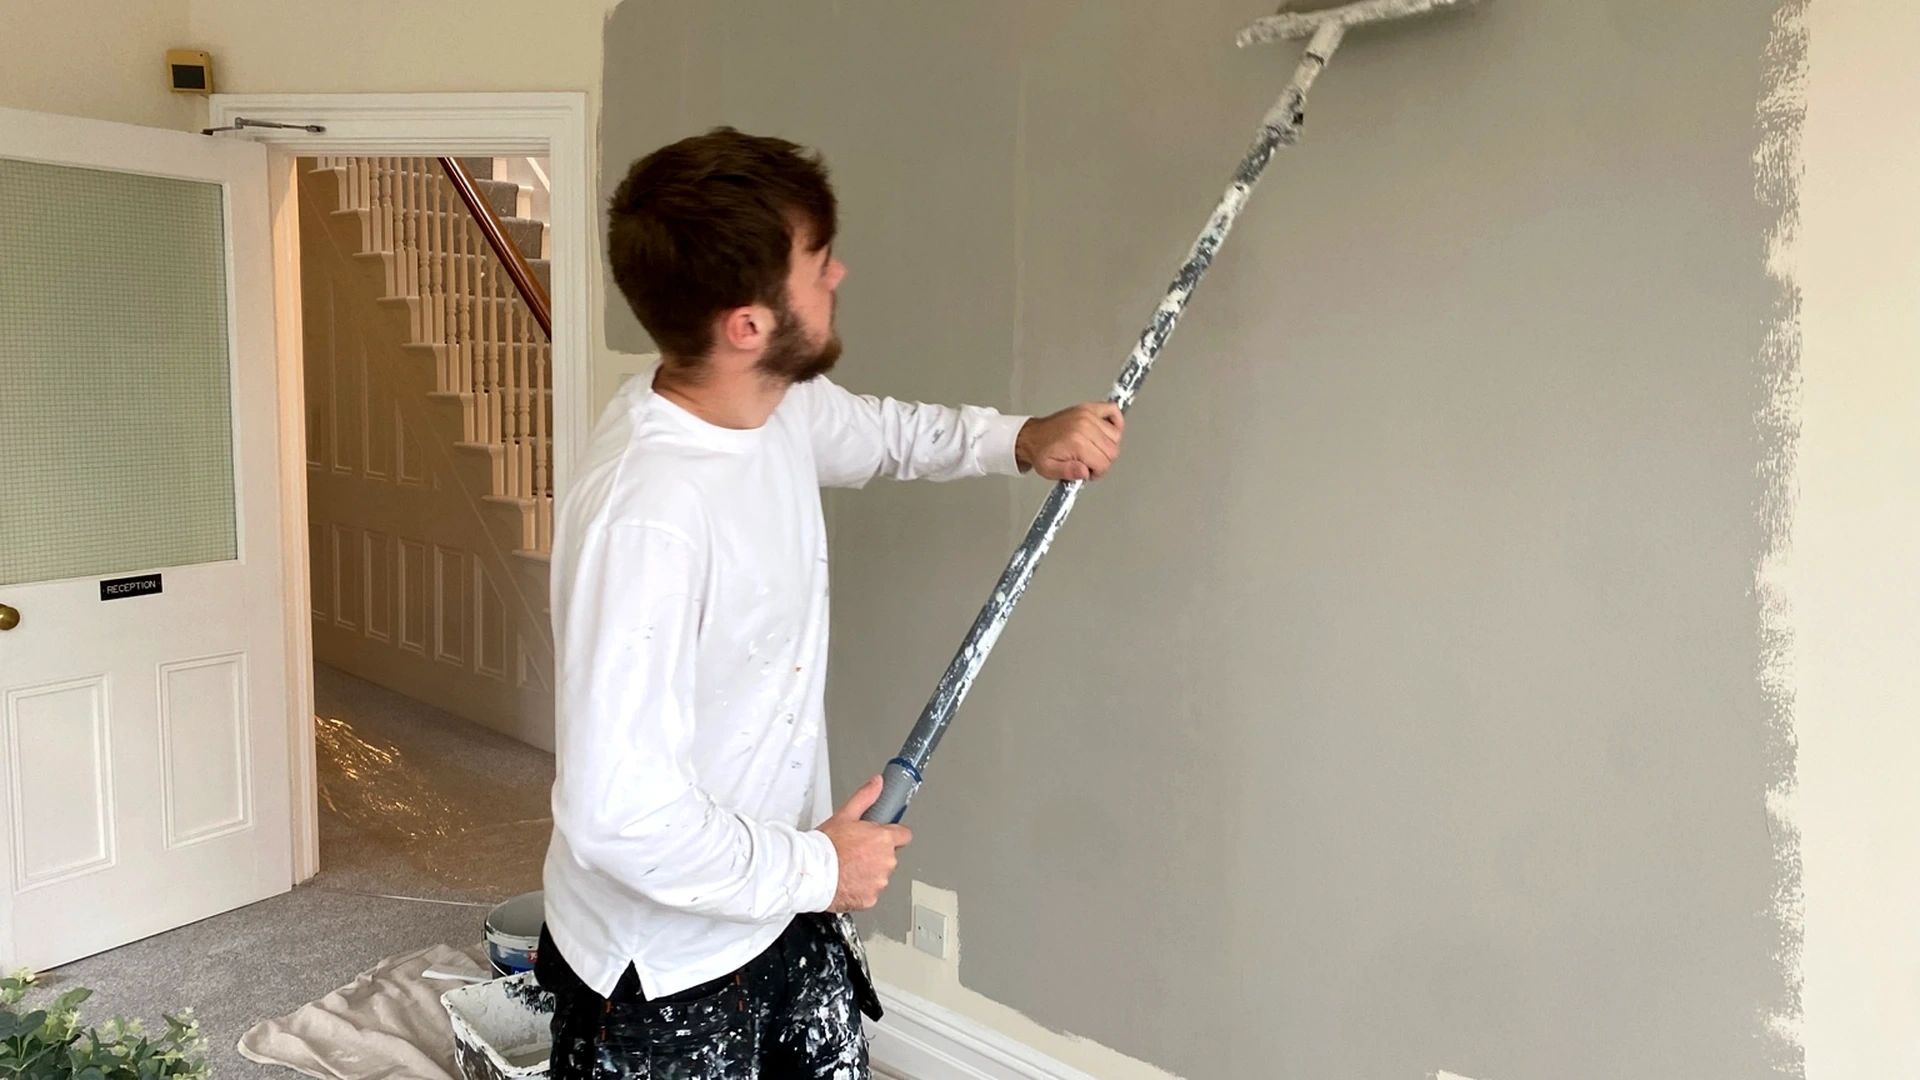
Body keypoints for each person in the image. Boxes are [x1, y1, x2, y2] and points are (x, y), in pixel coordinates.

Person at [534, 127, 1124, 1079]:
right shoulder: (649, 517)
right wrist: (824, 868)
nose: (838, 273)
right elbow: (619, 815)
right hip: (667, 972)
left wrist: (1023, 439)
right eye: (817, 263)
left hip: (781, 903)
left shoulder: (770, 408)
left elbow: (886, 435)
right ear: (747, 325)